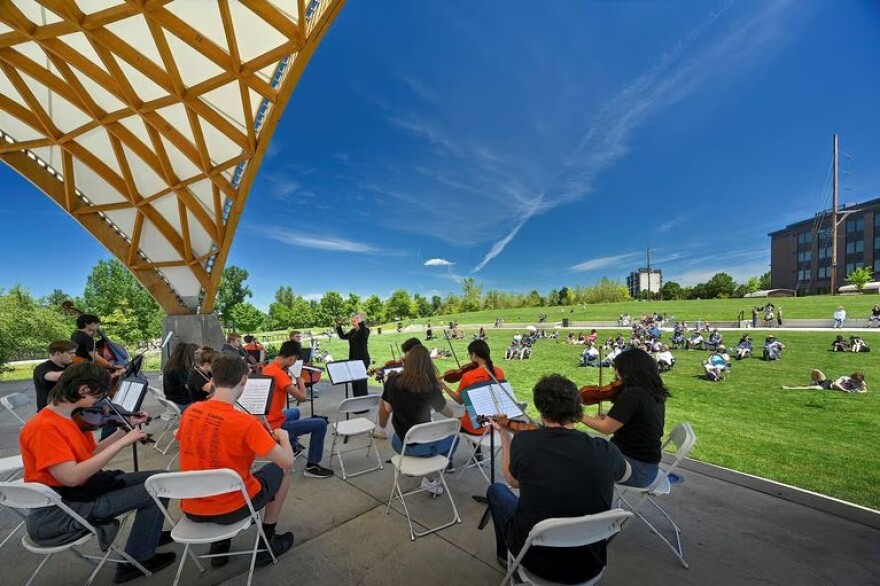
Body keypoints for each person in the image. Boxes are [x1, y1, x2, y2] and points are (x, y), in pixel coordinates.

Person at [19, 362, 176, 583]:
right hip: (63, 511)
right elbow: (72, 477)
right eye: (99, 395)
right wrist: (123, 443)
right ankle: (135, 562)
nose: (100, 402)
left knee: (160, 478)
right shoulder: (44, 428)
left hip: (81, 493)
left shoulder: (69, 417)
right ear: (82, 389)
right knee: (157, 490)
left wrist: (124, 430)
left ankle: (147, 536)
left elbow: (90, 453)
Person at [486, 374, 627, 582]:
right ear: (577, 409)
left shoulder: (525, 443)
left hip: (536, 561)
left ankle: (507, 559)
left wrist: (505, 437)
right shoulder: (605, 449)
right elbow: (625, 474)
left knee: (497, 491)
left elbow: (512, 481)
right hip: (590, 565)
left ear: (542, 411)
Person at [178, 356, 295, 567]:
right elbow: (286, 461)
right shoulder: (246, 423)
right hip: (230, 509)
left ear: (214, 378)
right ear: (244, 380)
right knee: (282, 469)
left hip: (192, 508)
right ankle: (266, 541)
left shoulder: (191, 411)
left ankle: (220, 547)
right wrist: (284, 437)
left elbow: (184, 434)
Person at [581, 349, 669, 488]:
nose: (616, 373)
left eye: (618, 368)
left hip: (636, 469)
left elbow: (606, 428)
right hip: (646, 465)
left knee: (576, 461)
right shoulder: (652, 391)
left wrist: (576, 414)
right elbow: (640, 422)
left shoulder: (633, 394)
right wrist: (615, 417)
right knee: (583, 450)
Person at [381, 344, 458, 495]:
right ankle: (431, 478)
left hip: (401, 443)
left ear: (407, 361)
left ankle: (429, 477)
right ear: (427, 364)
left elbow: (387, 409)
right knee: (454, 437)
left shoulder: (391, 381)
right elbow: (448, 414)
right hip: (425, 446)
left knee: (421, 435)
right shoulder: (429, 386)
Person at [262, 341, 334, 478]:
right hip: (275, 425)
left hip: (267, 419)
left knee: (295, 412)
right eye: (294, 361)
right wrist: (301, 383)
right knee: (320, 424)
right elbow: (302, 397)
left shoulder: (268, 367)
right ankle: (312, 465)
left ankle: (293, 446)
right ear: (291, 358)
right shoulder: (279, 374)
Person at [441, 339, 506, 440]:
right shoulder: (499, 372)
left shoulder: (468, 376)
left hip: (477, 426)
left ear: (474, 355)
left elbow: (459, 400)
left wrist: (442, 385)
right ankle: (478, 452)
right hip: (496, 424)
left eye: (470, 355)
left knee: (448, 425)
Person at [375, 337, 423, 439]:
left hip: (408, 404)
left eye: (406, 354)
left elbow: (406, 385)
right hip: (425, 405)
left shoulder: (408, 373)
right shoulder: (428, 367)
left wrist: (389, 382)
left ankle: (381, 431)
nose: (404, 359)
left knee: (385, 401)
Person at [32, 340, 76, 411]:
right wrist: (81, 372)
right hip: (51, 410)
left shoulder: (70, 365)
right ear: (58, 353)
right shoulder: (42, 368)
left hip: (68, 406)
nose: (74, 356)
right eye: (71, 353)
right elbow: (55, 376)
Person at [336, 311, 370, 398]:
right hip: (353, 359)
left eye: (354, 321)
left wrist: (360, 320)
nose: (352, 323)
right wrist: (339, 326)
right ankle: (356, 401)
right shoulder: (352, 331)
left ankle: (363, 403)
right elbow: (343, 336)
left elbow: (362, 332)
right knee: (354, 382)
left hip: (362, 360)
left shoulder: (365, 330)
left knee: (361, 382)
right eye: (352, 321)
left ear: (360, 321)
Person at [162, 342, 197, 412]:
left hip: (172, 401)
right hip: (182, 403)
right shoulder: (179, 369)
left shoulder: (169, 366)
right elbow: (190, 387)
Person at [781, 369, 866, 393]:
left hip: (826, 387)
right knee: (816, 370)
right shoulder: (845, 378)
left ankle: (788, 388)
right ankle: (814, 381)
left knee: (810, 388)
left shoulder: (859, 383)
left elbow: (865, 390)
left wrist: (862, 387)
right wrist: (844, 390)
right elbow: (836, 384)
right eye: (853, 380)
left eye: (856, 381)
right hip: (829, 382)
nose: (853, 382)